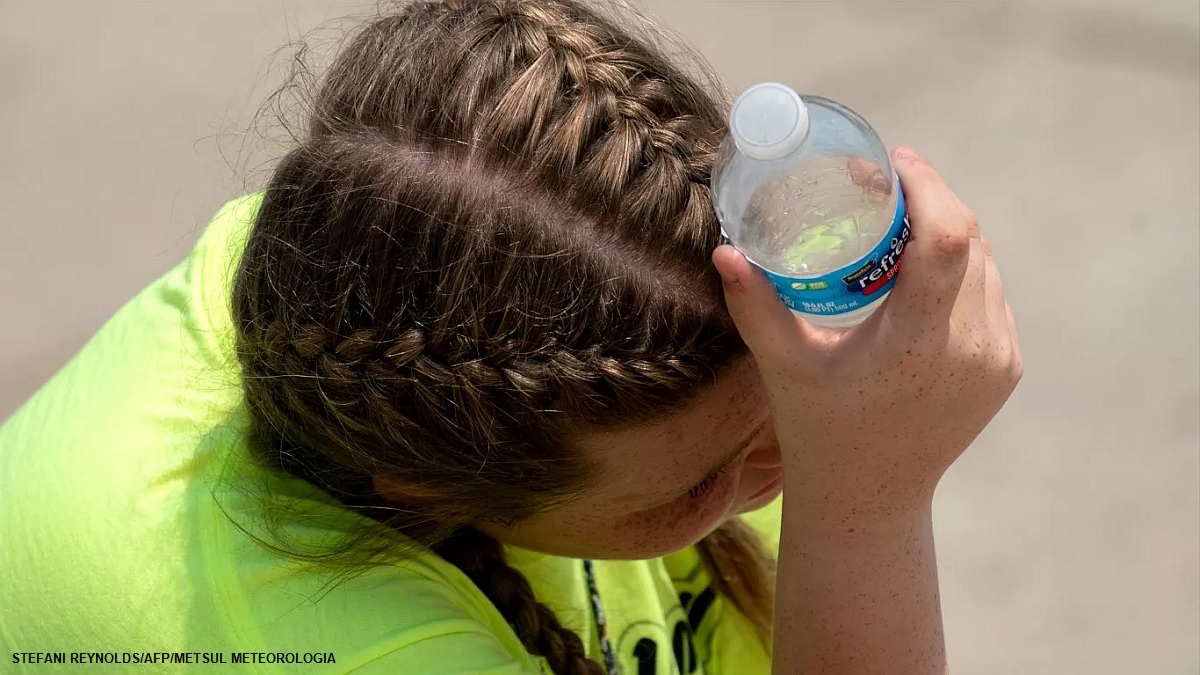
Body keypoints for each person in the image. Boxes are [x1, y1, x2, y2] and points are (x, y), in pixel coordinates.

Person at [0, 1, 1021, 673]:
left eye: (781, 405)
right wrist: (870, 501)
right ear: (426, 490)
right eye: (694, 485)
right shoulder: (313, 647)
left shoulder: (377, 274)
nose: (795, 466)